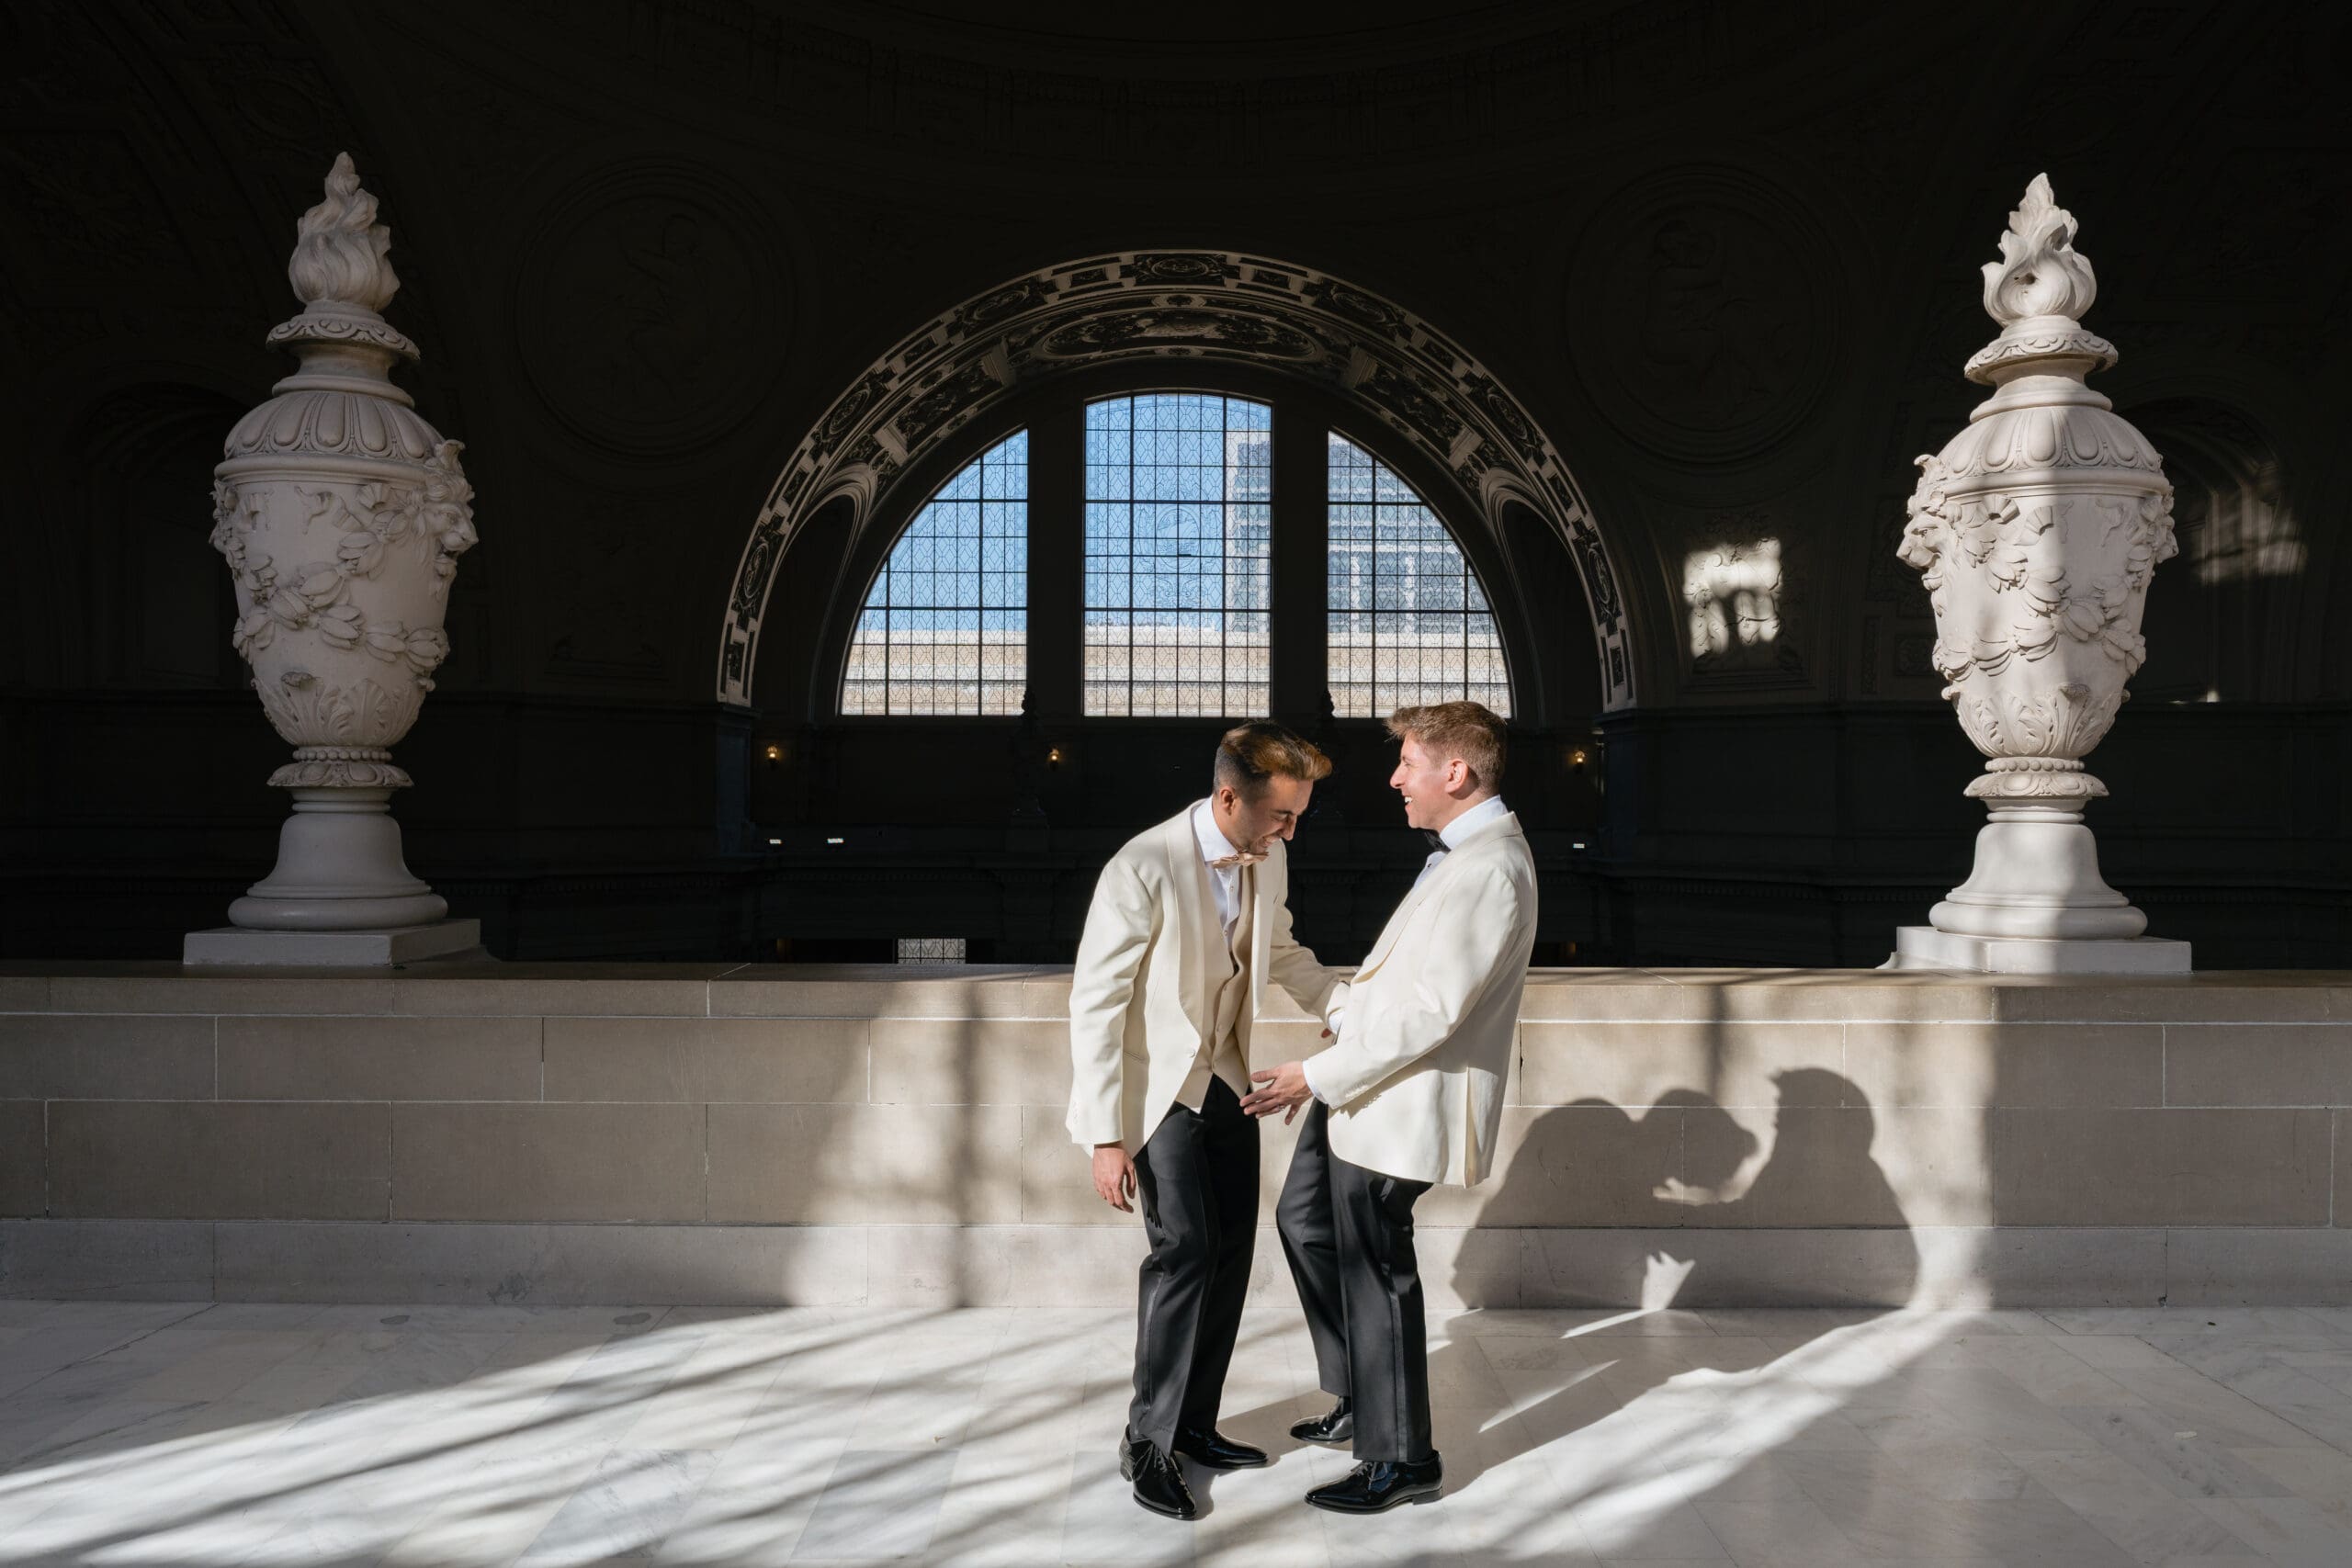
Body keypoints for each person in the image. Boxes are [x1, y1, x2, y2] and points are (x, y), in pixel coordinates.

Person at [1240, 700, 1537, 1515]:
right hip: (1364, 1089)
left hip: (1395, 1102)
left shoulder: (1489, 868)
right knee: (1304, 1221)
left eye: (1408, 762)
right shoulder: (1458, 857)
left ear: (1457, 771)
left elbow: (1431, 1013)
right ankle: (1356, 1393)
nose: (1396, 778)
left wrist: (1316, 1073)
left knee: (1377, 1270)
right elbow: (1394, 991)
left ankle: (1403, 1456)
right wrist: (1320, 1006)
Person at [1067, 721, 1350, 1519]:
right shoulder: (1142, 864)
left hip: (1229, 1077)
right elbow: (1096, 1003)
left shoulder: (1271, 853)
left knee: (1229, 1252)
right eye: (1282, 815)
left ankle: (1194, 1424)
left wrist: (1341, 1003)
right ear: (1229, 797)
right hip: (1158, 1093)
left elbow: (1282, 949)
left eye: (1297, 816)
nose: (1291, 831)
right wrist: (1105, 1135)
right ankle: (1146, 1442)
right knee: (1184, 1251)